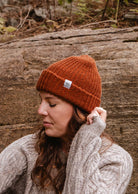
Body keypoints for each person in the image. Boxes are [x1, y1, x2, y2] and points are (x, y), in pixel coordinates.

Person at [0, 55, 133, 194]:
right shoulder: (27, 149)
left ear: (81, 111)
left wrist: (86, 139)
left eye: (52, 104)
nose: (40, 110)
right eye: (41, 101)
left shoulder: (115, 160)